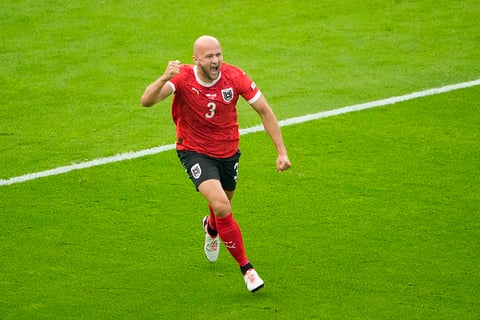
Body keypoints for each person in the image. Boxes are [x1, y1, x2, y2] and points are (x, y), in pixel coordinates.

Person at [140, 35, 291, 292]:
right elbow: (147, 101)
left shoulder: (234, 77)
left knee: (224, 205)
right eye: (209, 56)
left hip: (228, 151)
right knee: (221, 205)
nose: (215, 61)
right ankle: (247, 269)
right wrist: (164, 77)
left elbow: (265, 111)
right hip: (194, 150)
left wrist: (281, 152)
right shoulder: (184, 77)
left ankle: (211, 229)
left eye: (218, 54)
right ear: (196, 59)